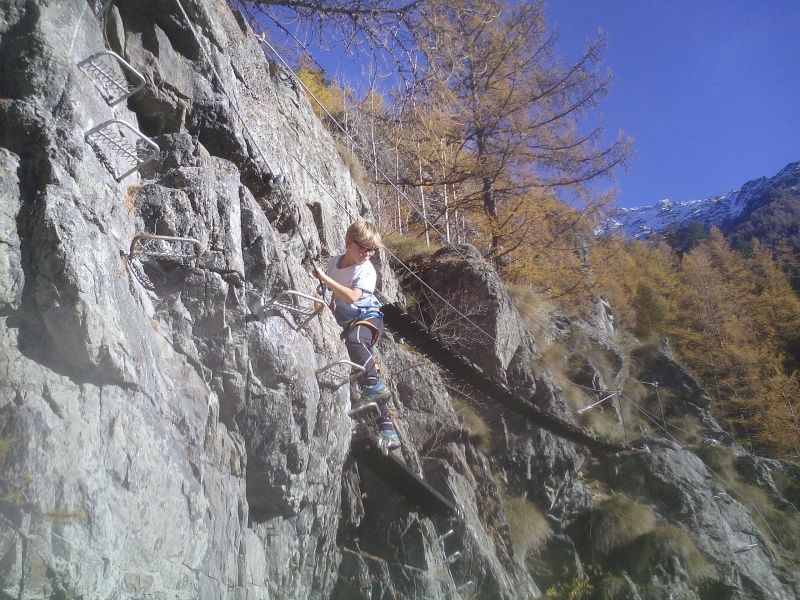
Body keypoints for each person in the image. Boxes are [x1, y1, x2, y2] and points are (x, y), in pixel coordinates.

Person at [312, 220, 400, 449]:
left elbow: (352, 296)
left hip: (368, 318)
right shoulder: (334, 263)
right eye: (363, 247)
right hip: (348, 321)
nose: (368, 254)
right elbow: (334, 294)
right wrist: (327, 302)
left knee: (356, 341)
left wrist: (324, 279)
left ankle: (377, 389)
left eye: (372, 250)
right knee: (364, 374)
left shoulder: (366, 270)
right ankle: (387, 429)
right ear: (348, 243)